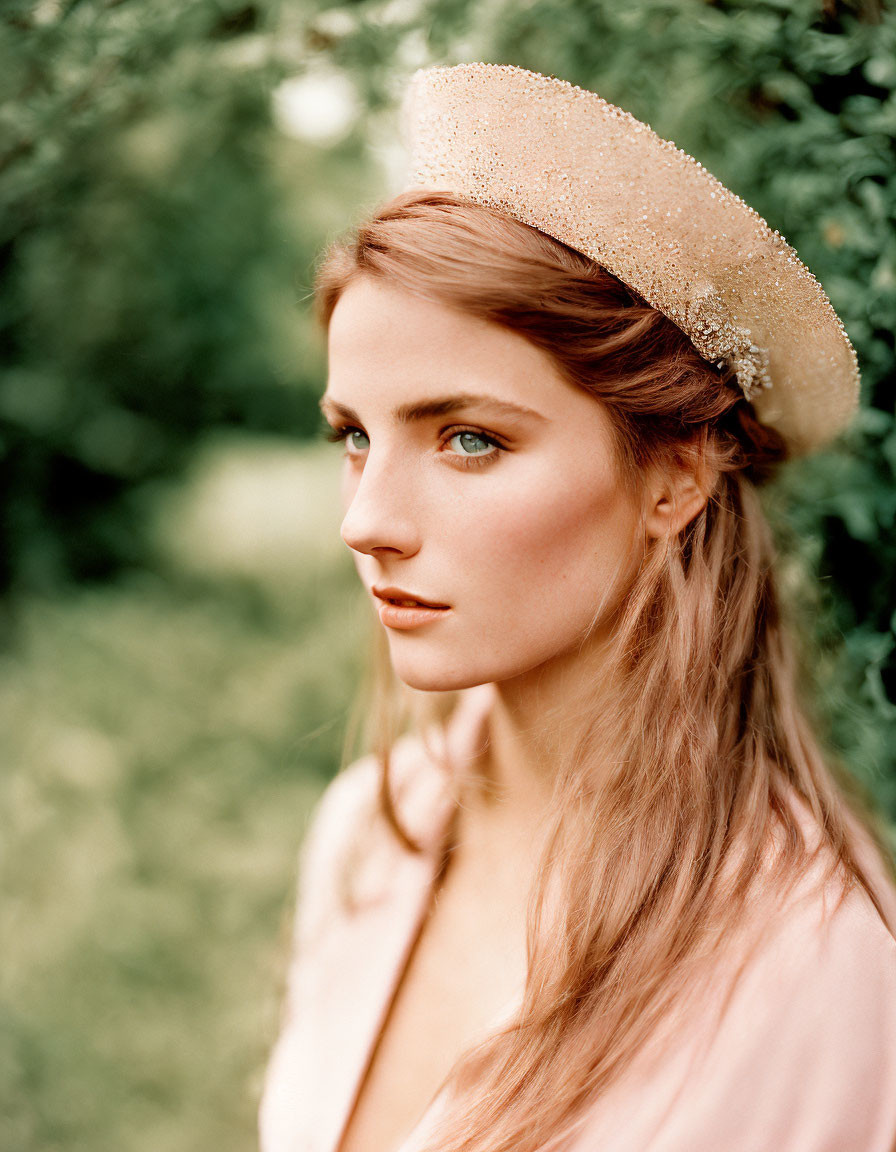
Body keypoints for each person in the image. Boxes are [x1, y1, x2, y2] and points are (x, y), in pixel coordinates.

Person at [259, 63, 896, 1152]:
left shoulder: (815, 960)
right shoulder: (369, 832)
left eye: (469, 438)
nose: (365, 520)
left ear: (676, 478)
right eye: (353, 435)